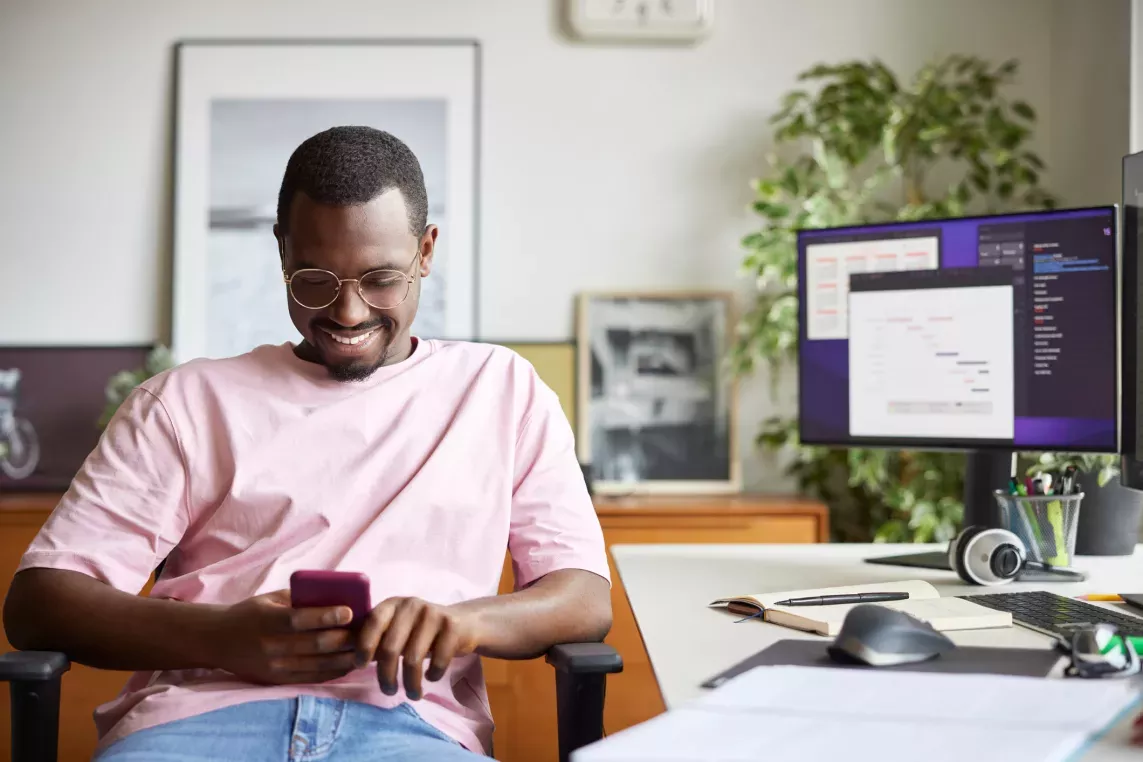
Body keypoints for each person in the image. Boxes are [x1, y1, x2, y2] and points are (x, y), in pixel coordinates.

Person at [2, 126, 613, 761]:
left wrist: (464, 622)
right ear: (282, 253)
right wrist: (219, 638)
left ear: (426, 251)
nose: (348, 313)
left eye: (381, 279)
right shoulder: (183, 403)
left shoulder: (501, 391)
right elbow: (42, 601)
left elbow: (582, 597)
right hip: (194, 724)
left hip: (411, 730)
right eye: (315, 280)